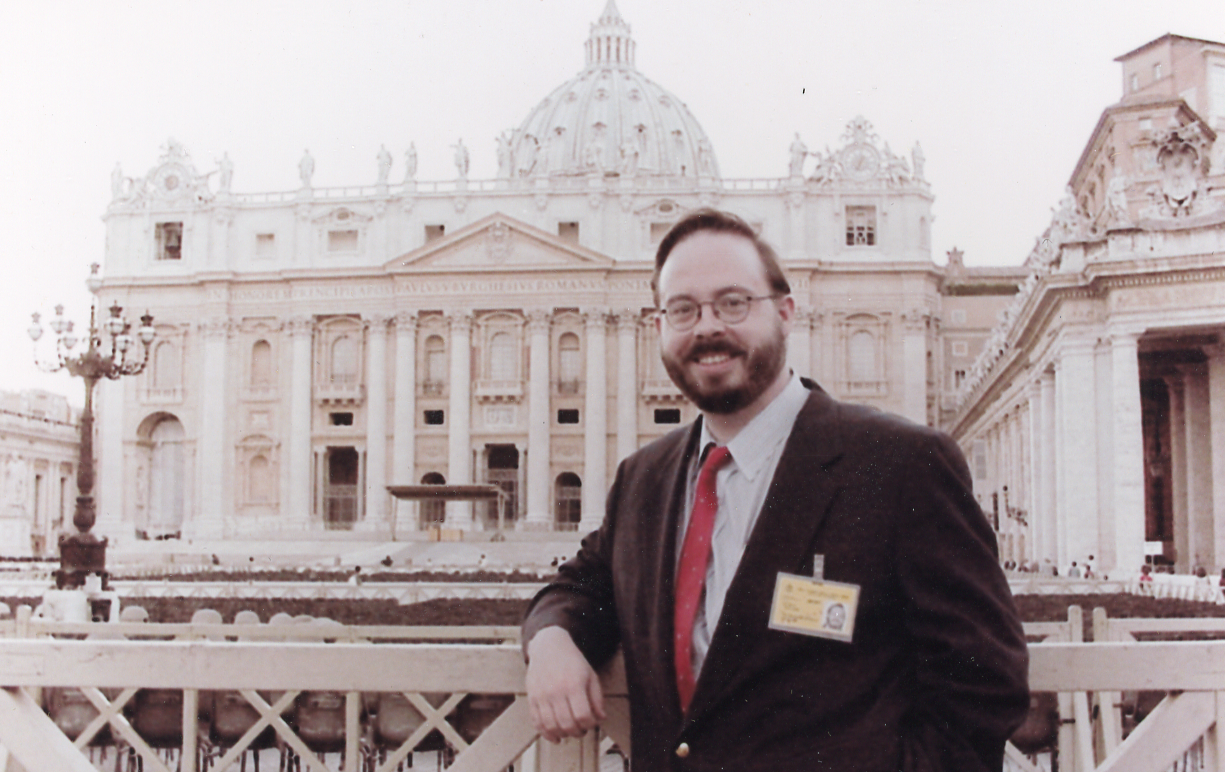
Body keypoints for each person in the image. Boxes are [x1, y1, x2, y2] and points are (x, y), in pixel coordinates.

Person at [522, 209, 1030, 771]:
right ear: (660, 327)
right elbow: (580, 588)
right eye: (683, 309)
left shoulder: (900, 464)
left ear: (786, 313)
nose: (708, 327)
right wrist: (549, 643)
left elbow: (983, 679)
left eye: (734, 303)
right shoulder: (644, 477)